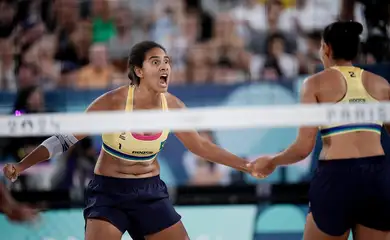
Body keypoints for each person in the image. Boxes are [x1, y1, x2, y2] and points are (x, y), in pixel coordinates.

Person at [3, 41, 259, 240]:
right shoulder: (112, 103)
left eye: (167, 62)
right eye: (156, 62)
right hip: (109, 194)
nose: (164, 67)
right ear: (138, 70)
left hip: (150, 193)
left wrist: (245, 165)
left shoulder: (174, 107)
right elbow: (63, 140)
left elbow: (201, 147)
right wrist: (21, 166)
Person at [248, 21, 390, 240]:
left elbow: (304, 148)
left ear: (326, 49)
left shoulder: (315, 84)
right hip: (377, 177)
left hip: (337, 177)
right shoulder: (381, 85)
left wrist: (272, 161)